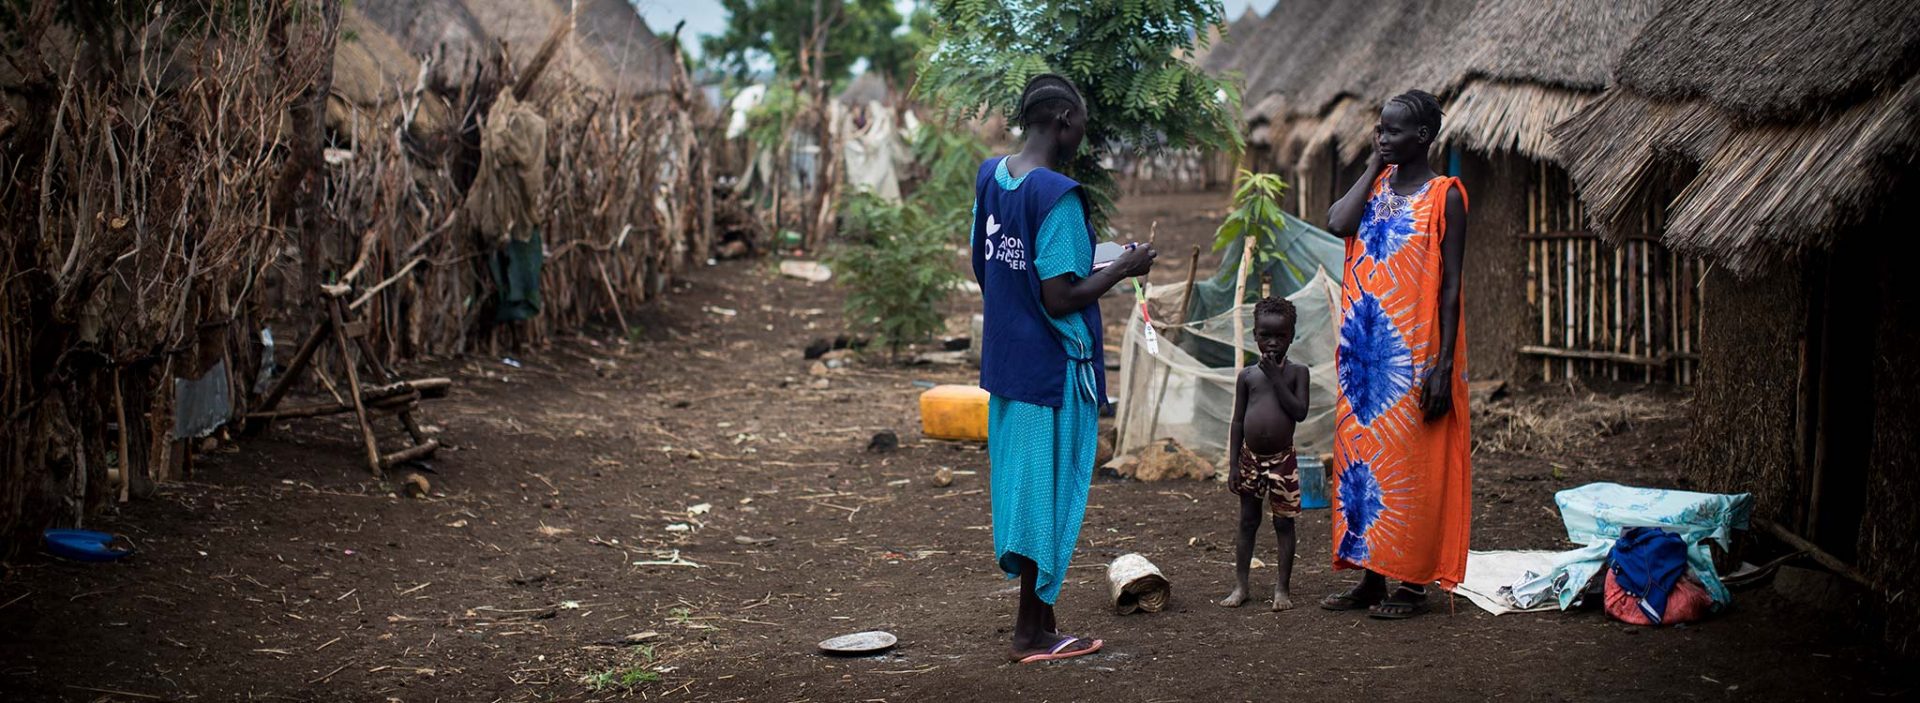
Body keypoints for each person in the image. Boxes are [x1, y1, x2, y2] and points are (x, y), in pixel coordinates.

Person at [972, 74, 1156, 663]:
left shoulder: (991, 177)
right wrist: (1126, 267)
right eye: (1081, 124)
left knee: (1024, 494)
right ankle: (1031, 634)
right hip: (1052, 372)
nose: (1082, 133)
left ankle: (1043, 621)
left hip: (1006, 360)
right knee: (1045, 497)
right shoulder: (1058, 195)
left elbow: (988, 265)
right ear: (1064, 122)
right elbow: (1060, 296)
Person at [1318, 89, 1472, 619]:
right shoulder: (1377, 184)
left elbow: (1451, 286)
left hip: (1414, 356)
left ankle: (1411, 585)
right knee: (1363, 464)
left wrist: (1443, 365)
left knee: (1410, 464)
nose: (1382, 137)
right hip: (1363, 353)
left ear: (1424, 137)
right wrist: (1371, 165)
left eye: (1393, 131)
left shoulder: (1444, 195)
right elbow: (1338, 223)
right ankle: (1371, 577)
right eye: (1379, 129)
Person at [1218, 296, 1310, 611]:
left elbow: (1299, 412)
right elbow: (1238, 421)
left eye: (1280, 336)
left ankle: (1282, 589)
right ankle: (1241, 585)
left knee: (1284, 523)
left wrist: (1276, 377)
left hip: (1283, 460)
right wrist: (1233, 465)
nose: (1272, 343)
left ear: (1292, 336)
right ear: (1254, 335)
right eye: (1264, 336)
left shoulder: (1298, 373)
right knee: (1247, 521)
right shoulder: (1247, 376)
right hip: (1250, 459)